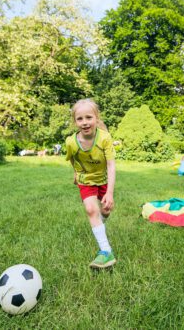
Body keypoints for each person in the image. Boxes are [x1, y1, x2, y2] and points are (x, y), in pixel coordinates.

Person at [66, 99, 117, 269]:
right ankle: (106, 251)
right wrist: (75, 173)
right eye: (80, 119)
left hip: (103, 179)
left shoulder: (104, 138)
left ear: (96, 118)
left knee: (105, 210)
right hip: (85, 179)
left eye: (89, 117)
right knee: (90, 209)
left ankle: (99, 221)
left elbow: (111, 164)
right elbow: (73, 158)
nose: (85, 122)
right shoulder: (71, 142)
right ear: (75, 122)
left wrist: (109, 192)